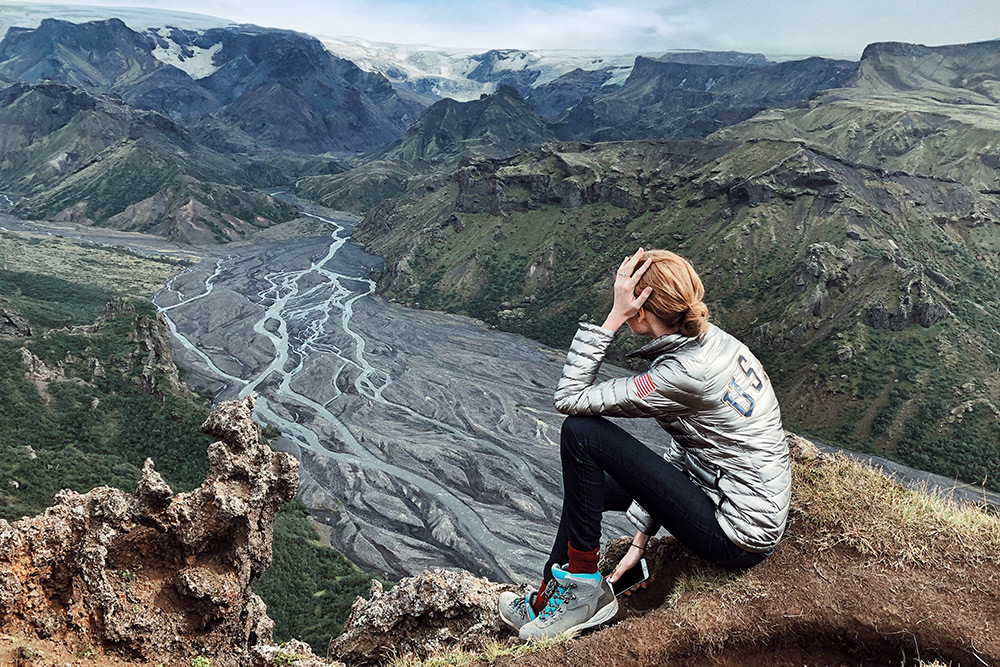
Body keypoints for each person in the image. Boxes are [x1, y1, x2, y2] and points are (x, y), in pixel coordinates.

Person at [498, 248, 791, 641]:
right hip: (729, 497)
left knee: (581, 435)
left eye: (626, 295)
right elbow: (690, 443)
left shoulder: (685, 372)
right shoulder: (711, 343)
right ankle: (546, 598)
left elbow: (569, 397)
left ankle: (582, 589)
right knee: (589, 489)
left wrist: (612, 318)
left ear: (640, 309)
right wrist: (641, 539)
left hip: (737, 534)